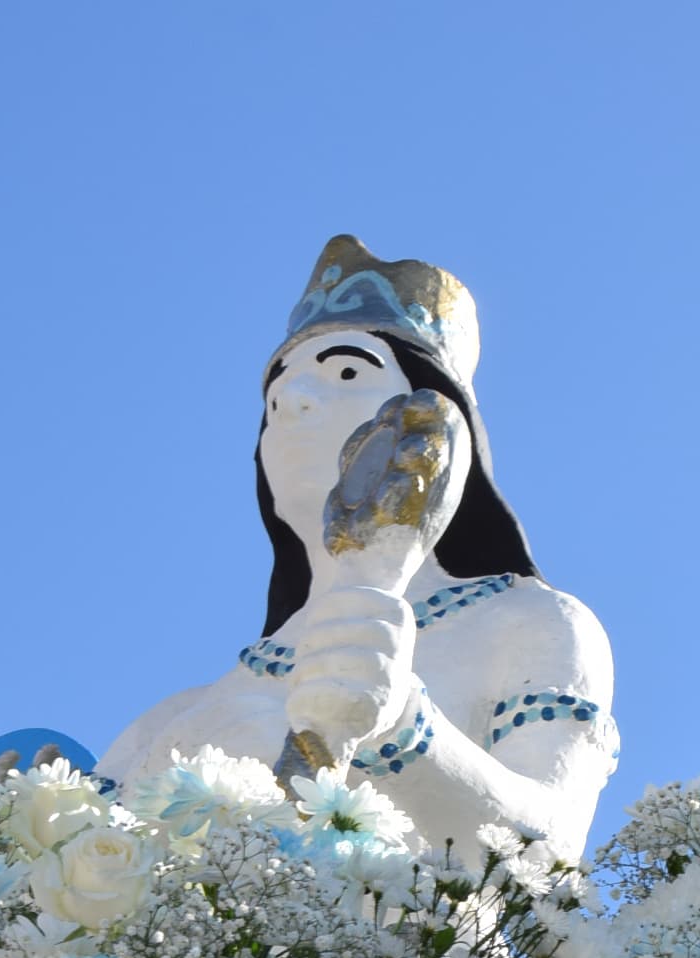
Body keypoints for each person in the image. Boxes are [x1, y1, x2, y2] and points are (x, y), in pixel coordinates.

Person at [95, 236, 618, 860]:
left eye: (346, 371)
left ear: (439, 424)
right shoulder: (171, 718)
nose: (291, 400)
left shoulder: (530, 625)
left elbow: (549, 859)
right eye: (274, 397)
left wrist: (405, 728)